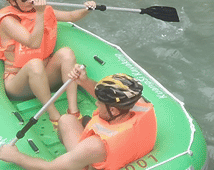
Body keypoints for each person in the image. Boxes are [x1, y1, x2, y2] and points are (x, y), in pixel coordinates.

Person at [0, 68, 157, 170]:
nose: (95, 102)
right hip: (128, 149)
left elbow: (52, 168)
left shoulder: (95, 146)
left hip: (94, 158)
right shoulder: (138, 103)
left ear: (114, 110)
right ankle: (86, 125)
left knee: (65, 121)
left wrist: (16, 157)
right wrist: (83, 81)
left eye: (99, 103)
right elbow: (112, 100)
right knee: (69, 119)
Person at [0, 0, 96, 127]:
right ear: (11, 1)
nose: (31, 0)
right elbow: (33, 43)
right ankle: (54, 116)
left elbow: (70, 15)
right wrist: (39, 13)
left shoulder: (43, 10)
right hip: (19, 83)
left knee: (66, 53)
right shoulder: (7, 20)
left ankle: (73, 111)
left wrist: (86, 9)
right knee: (34, 64)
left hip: (45, 76)